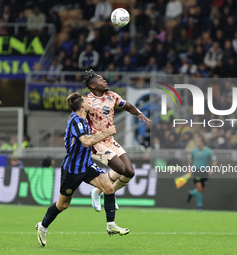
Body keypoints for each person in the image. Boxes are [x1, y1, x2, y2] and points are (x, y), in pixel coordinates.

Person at [36, 92, 129, 248]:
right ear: (82, 106)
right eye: (86, 101)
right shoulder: (76, 121)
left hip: (86, 165)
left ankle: (111, 224)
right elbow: (86, 142)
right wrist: (107, 132)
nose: (89, 102)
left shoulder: (83, 119)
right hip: (73, 169)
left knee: (109, 187)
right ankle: (43, 226)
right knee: (63, 205)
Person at [82, 69, 151, 212]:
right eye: (101, 80)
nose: (105, 81)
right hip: (96, 143)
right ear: (93, 86)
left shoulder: (112, 96)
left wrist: (139, 113)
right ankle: (109, 194)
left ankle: (97, 192)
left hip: (110, 140)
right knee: (119, 168)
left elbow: (128, 106)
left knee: (130, 172)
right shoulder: (86, 101)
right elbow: (77, 119)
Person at [187, 137, 217, 211]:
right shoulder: (194, 151)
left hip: (205, 172)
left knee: (201, 189)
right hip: (196, 171)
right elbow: (190, 159)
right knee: (199, 187)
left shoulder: (208, 151)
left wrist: (212, 168)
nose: (196, 143)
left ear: (202, 142)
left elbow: (214, 160)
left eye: (198, 141)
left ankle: (192, 192)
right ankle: (199, 206)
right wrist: (190, 167)